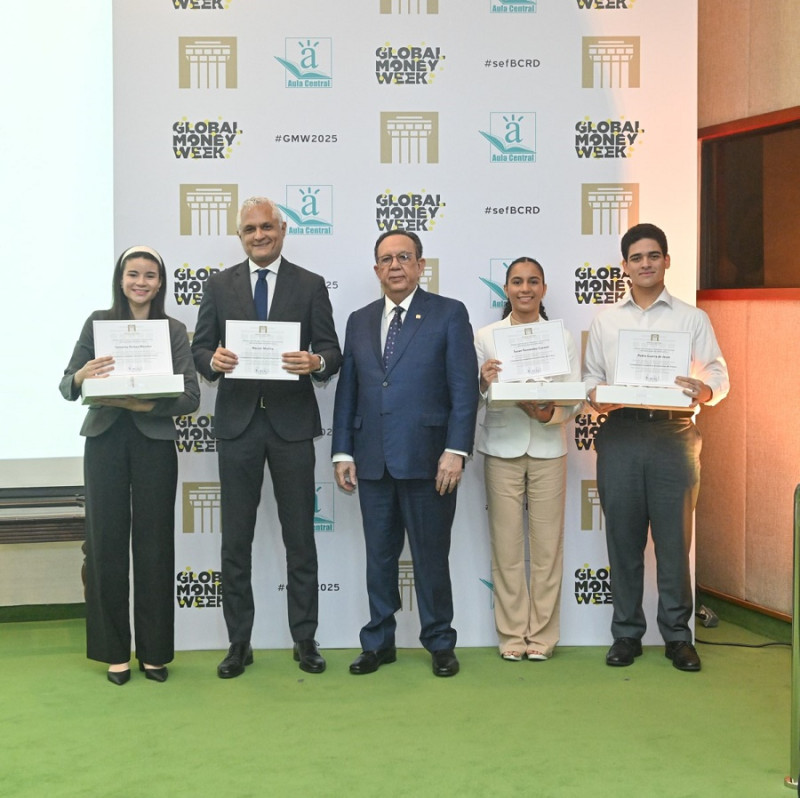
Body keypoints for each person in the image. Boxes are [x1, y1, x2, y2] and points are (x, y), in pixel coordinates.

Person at [191, 196, 342, 678]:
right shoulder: (218, 285)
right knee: (236, 541)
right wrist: (210, 362)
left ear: (282, 230)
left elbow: (331, 349)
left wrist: (316, 363)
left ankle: (305, 639)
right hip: (237, 427)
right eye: (250, 229)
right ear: (241, 236)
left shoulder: (311, 284)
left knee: (301, 539)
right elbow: (199, 347)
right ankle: (239, 643)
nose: (259, 235)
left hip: (292, 427)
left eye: (267, 227)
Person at [331, 230, 479, 678]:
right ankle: (378, 642)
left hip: (430, 459)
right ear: (376, 269)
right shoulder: (358, 319)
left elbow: (463, 389)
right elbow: (348, 391)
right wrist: (342, 451)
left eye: (403, 258)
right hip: (372, 459)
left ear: (420, 265)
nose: (394, 266)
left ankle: (439, 641)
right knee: (379, 557)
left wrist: (456, 450)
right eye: (385, 259)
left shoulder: (449, 314)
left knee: (430, 555)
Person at [583, 223, 730, 672]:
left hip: (674, 435)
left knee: (673, 542)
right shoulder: (606, 321)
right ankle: (626, 634)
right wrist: (599, 394)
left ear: (667, 260)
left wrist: (703, 391)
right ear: (624, 266)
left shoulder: (692, 318)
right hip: (621, 432)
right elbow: (590, 381)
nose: (645, 264)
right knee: (623, 541)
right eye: (636, 257)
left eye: (653, 255)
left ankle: (678, 637)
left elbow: (719, 376)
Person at [59, 245, 200, 685]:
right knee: (105, 545)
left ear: (161, 283)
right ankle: (114, 652)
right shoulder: (98, 323)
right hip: (104, 442)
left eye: (150, 276)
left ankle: (154, 653)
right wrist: (84, 375)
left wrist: (142, 404)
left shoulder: (173, 330)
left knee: (156, 545)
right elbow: (66, 384)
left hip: (154, 441)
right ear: (120, 279)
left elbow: (191, 397)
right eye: (133, 274)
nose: (141, 282)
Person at [474, 257, 582, 662]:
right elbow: (478, 395)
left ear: (544, 289)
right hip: (501, 449)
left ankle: (543, 634)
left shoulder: (562, 337)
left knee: (547, 549)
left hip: (548, 447)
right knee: (506, 548)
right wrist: (484, 381)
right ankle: (511, 635)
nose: (525, 288)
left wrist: (547, 413)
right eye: (517, 282)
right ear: (505, 290)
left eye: (533, 281)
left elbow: (574, 397)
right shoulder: (487, 336)